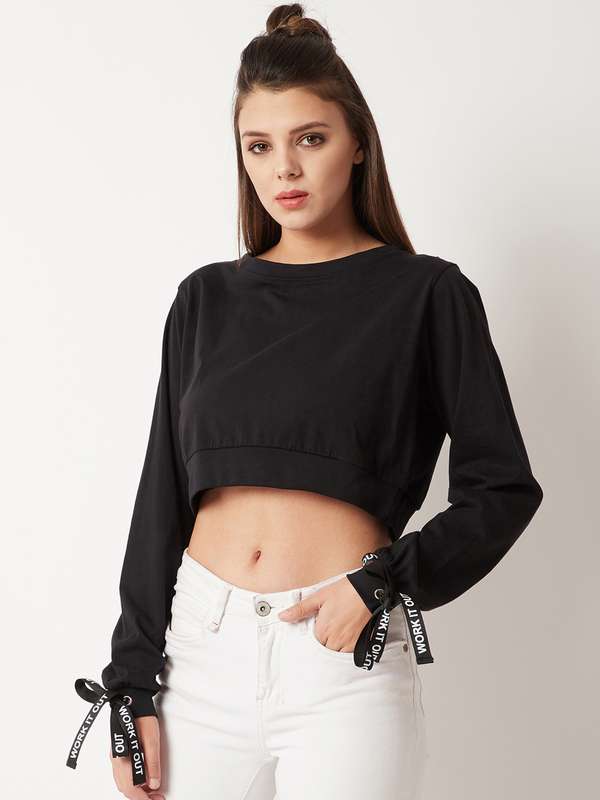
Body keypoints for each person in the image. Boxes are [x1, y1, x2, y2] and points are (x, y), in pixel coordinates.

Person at [65, 4, 543, 799]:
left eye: (309, 139)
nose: (284, 168)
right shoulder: (205, 300)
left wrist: (384, 582)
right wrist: (132, 682)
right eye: (259, 146)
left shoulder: (427, 296)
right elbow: (160, 500)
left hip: (341, 658)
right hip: (199, 657)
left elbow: (503, 489)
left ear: (357, 142)